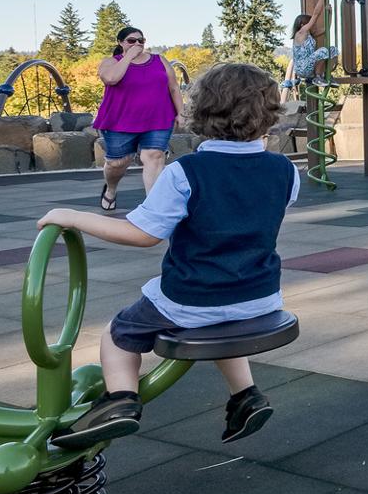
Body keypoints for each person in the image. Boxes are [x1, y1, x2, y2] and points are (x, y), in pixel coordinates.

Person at [38, 62, 294, 449]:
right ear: (268, 116)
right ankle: (247, 395)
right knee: (221, 324)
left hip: (192, 296)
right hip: (260, 298)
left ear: (202, 112)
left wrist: (74, 217)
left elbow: (143, 234)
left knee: (120, 331)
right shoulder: (284, 170)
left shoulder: (186, 172)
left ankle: (120, 401)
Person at [93, 26, 187, 211]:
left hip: (158, 118)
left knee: (154, 156)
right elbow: (111, 79)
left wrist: (181, 113)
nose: (137, 44)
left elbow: (174, 87)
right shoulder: (111, 62)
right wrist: (128, 56)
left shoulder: (160, 60)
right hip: (120, 120)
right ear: (120, 43)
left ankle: (153, 208)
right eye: (131, 40)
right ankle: (111, 189)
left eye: (141, 41)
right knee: (117, 163)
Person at [282, 13, 338, 91]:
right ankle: (317, 77)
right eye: (311, 24)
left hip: (309, 66)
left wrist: (330, 13)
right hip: (302, 68)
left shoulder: (310, 35)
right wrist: (322, 0)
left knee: (333, 50)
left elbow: (326, 28)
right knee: (324, 51)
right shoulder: (300, 33)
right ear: (302, 25)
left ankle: (326, 74)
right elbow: (315, 14)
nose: (313, 26)